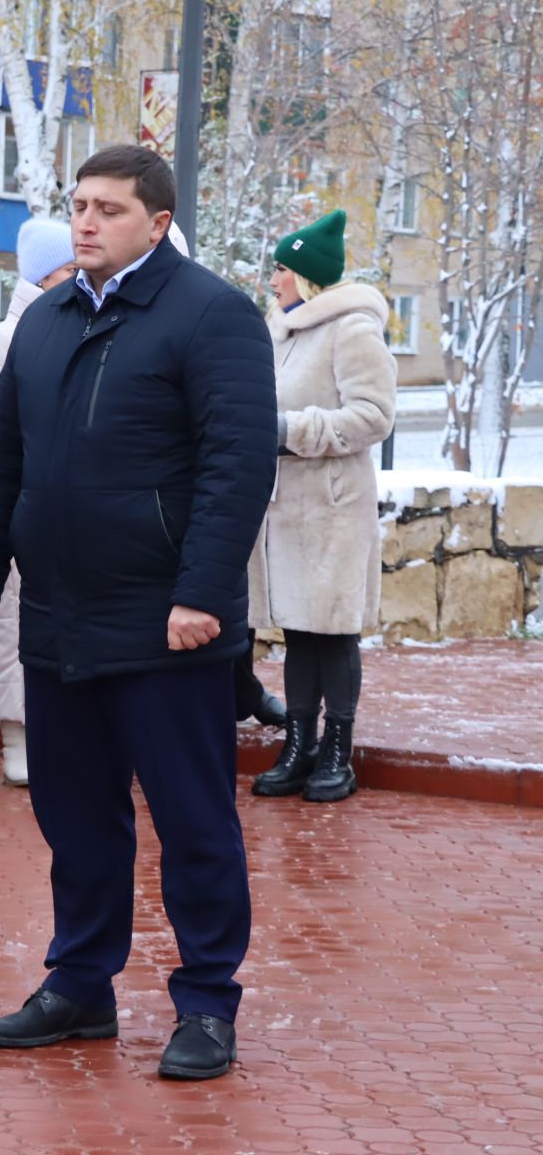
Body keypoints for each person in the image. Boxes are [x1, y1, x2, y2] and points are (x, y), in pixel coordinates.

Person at [0, 145, 276, 1081]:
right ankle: (80, 985)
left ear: (158, 222)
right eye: (79, 206)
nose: (86, 223)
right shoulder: (46, 320)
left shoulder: (212, 315)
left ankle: (208, 1002)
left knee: (194, 821)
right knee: (76, 817)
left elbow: (235, 468)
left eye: (109, 209)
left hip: (167, 625)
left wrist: (202, 594)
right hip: (57, 617)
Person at [249, 209, 395, 802]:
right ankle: (299, 744)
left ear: (306, 274)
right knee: (300, 632)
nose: (273, 279)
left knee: (333, 632)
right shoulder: (280, 332)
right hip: (286, 507)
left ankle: (338, 750)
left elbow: (374, 417)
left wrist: (289, 429)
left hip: (333, 507)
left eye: (281, 268)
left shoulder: (352, 329)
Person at [0, 217, 76, 787]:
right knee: (10, 618)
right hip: (21, 498)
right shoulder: (4, 339)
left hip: (61, 502)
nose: (77, 277)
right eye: (66, 270)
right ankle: (16, 734)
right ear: (40, 277)